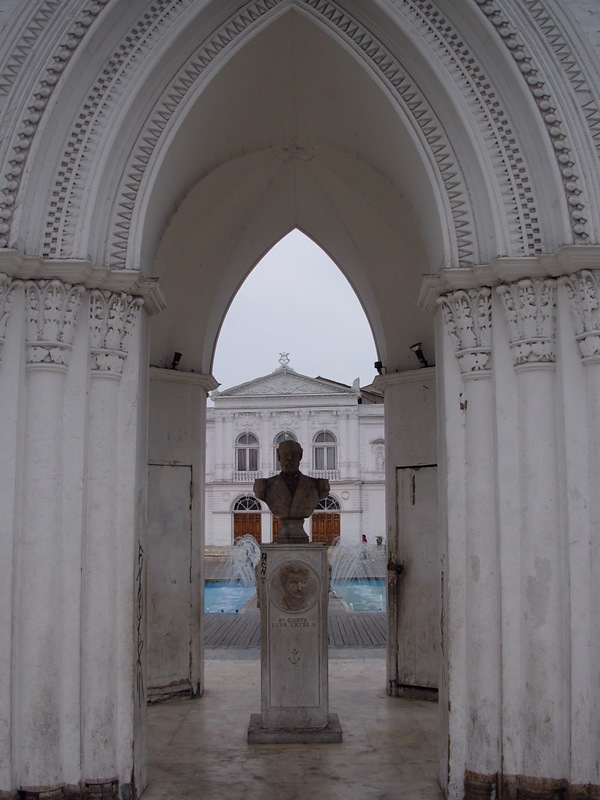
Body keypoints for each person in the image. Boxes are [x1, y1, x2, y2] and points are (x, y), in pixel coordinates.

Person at [253, 440, 329, 543]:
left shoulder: (317, 485)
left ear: (300, 456)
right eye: (285, 455)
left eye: (293, 455)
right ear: (279, 457)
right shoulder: (265, 487)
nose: (289, 458)